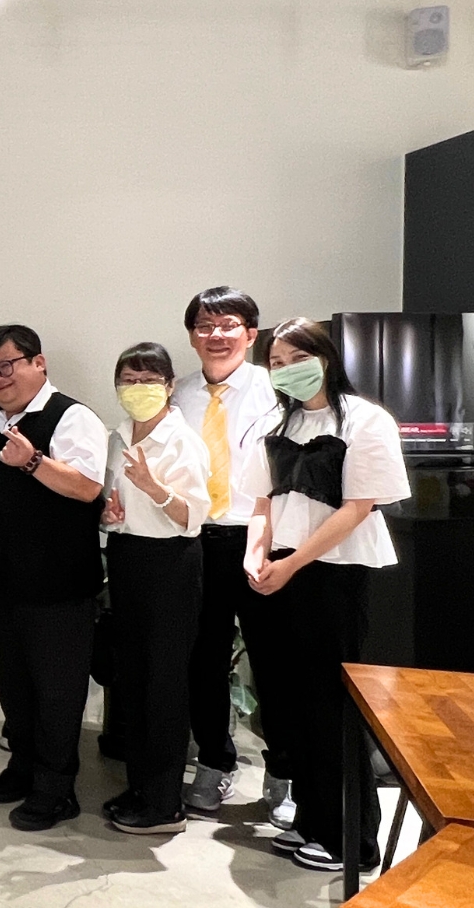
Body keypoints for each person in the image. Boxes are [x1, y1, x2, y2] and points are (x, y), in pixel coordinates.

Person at [243, 317, 408, 873]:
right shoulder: (275, 421)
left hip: (335, 573)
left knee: (332, 706)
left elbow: (359, 507)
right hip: (279, 570)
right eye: (277, 362)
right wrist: (256, 554)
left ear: (326, 358)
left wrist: (293, 563)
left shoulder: (365, 419)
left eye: (298, 357)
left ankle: (350, 839)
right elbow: (261, 501)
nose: (287, 369)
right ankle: (313, 818)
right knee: (292, 703)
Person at [0, 323, 108, 831]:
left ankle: (56, 788)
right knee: (14, 686)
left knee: (57, 692)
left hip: (58, 585)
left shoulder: (72, 416)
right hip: (4, 583)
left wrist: (32, 461)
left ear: (38, 363)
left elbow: (88, 487)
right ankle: (23, 767)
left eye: (7, 366)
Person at [172, 287, 289, 823]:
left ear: (250, 333)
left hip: (263, 538)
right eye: (204, 325)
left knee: (273, 660)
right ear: (192, 335)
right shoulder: (179, 395)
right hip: (199, 539)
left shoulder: (276, 390)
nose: (215, 335)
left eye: (228, 325)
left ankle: (283, 772)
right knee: (204, 659)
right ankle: (214, 763)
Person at [99, 343, 211, 835]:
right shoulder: (117, 435)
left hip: (171, 564)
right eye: (128, 379)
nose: (137, 388)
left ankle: (165, 804)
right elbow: (112, 505)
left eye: (148, 379)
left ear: (168, 386)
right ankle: (140, 787)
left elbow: (193, 518)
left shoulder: (183, 440)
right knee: (134, 679)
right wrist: (108, 515)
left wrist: (152, 487)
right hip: (127, 558)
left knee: (164, 683)